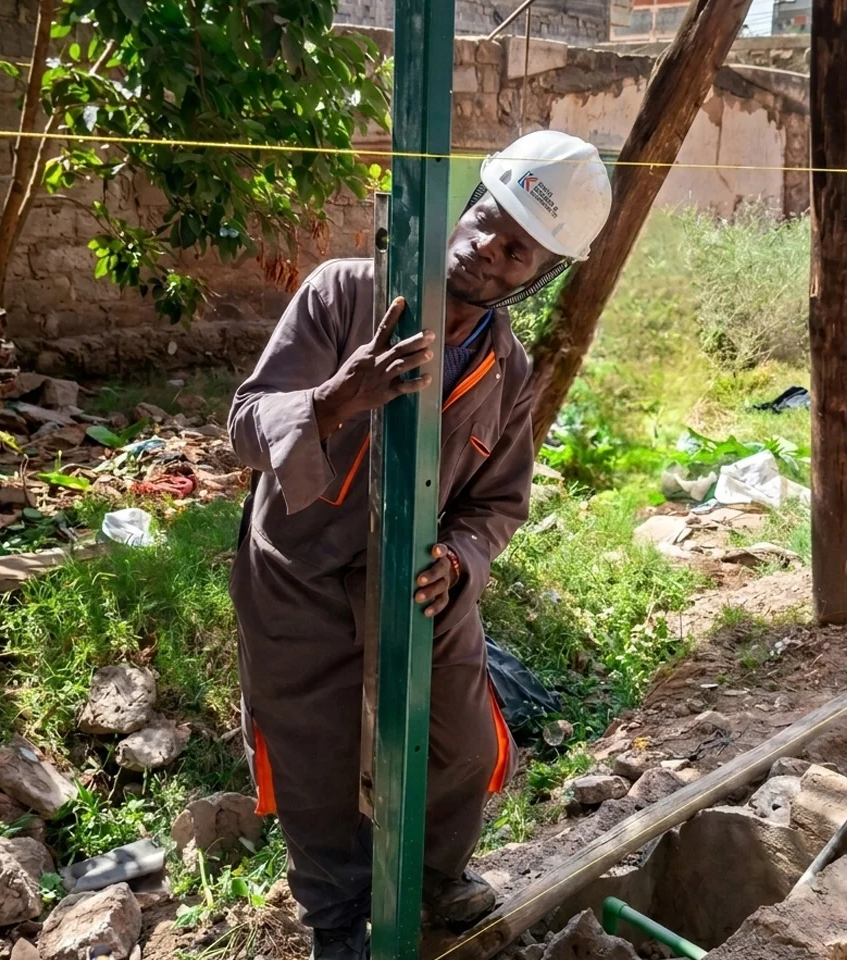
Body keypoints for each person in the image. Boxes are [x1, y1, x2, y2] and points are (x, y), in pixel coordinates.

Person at [228, 130, 612, 960]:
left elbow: (499, 503)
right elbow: (246, 427)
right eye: (485, 218)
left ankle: (436, 879)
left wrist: (461, 561)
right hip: (296, 576)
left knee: (461, 743)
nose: (485, 249)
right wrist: (336, 397)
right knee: (315, 757)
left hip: (416, 582)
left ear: (538, 276)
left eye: (516, 251)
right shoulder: (344, 296)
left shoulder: (506, 373)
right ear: (464, 205)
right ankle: (337, 920)